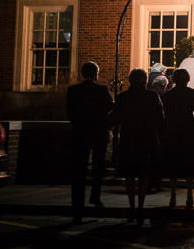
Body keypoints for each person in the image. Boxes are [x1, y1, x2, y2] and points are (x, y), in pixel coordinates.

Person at [112, 68, 165, 226]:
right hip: (146, 138)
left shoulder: (123, 97)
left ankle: (131, 207)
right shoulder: (152, 96)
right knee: (143, 175)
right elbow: (160, 119)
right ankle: (141, 207)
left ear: (129, 80)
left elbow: (115, 118)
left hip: (129, 138)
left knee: (129, 175)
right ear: (145, 80)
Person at [66, 61, 114, 224]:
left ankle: (77, 207)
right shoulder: (102, 89)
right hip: (98, 132)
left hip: (80, 133)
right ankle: (95, 197)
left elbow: (70, 112)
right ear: (96, 74)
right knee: (99, 167)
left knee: (78, 170)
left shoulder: (73, 90)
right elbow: (111, 107)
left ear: (82, 73)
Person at [163, 68, 194, 209]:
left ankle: (173, 195)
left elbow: (164, 115)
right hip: (188, 131)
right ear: (187, 79)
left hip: (173, 131)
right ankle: (189, 195)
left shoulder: (168, 95)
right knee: (189, 165)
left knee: (173, 165)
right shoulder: (191, 94)